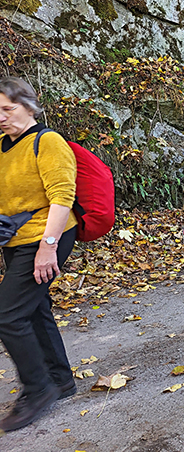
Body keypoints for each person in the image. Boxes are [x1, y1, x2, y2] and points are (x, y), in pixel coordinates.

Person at [0, 77, 79, 431]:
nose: (1, 117)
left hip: (50, 235)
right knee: (33, 308)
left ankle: (37, 388)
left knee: (7, 315)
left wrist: (47, 249)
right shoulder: (4, 146)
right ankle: (60, 378)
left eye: (8, 108)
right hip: (16, 240)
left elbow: (62, 196)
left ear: (29, 106)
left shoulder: (48, 142)